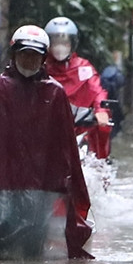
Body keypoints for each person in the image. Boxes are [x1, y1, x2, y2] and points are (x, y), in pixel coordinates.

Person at [0, 25, 93, 259]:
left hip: (41, 185)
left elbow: (66, 146)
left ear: (43, 59)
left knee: (34, 246)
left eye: (35, 55)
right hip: (0, 183)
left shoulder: (55, 93)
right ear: (14, 55)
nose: (29, 60)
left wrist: (68, 182)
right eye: (24, 54)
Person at [43, 16, 113, 159]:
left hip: (80, 130)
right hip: (46, 130)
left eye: (64, 42)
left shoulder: (83, 68)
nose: (60, 47)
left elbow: (97, 90)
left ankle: (99, 170)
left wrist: (101, 111)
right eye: (56, 42)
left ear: (72, 44)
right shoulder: (40, 69)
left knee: (100, 137)